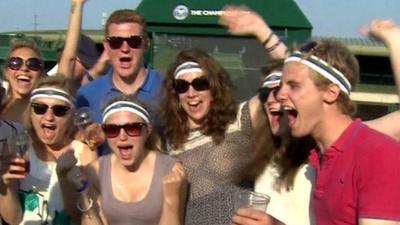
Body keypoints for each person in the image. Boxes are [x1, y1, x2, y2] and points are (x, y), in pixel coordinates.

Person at [276, 37, 400, 224]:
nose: (279, 95)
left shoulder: (379, 154)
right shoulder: (320, 156)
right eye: (281, 86)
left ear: (331, 92)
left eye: (293, 86)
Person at [161, 48, 271, 224]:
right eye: (182, 86)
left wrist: (265, 35)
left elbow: (283, 84)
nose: (191, 93)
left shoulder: (240, 119)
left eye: (200, 84)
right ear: (176, 95)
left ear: (214, 87)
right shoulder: (171, 143)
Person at [64, 94, 187, 225]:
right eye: (112, 129)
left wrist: (171, 200)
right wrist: (84, 193)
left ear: (148, 130)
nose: (122, 136)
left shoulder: (171, 171)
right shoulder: (95, 171)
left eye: (132, 128)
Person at [0, 74, 97, 225]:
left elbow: (84, 219)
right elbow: (14, 219)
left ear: (72, 115)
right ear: (30, 113)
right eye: (40, 108)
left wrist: (67, 181)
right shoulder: (18, 147)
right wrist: (4, 185)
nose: (49, 116)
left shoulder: (85, 153)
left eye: (59, 110)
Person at [76, 9, 164, 127]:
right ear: (106, 47)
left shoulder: (167, 88)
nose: (125, 49)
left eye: (134, 41)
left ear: (146, 45)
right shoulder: (87, 95)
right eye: (116, 42)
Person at [0, 38, 45, 123]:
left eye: (33, 64)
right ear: (6, 72)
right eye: (15, 63)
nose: (24, 68)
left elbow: (69, 60)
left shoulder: (48, 115)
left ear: (41, 74)